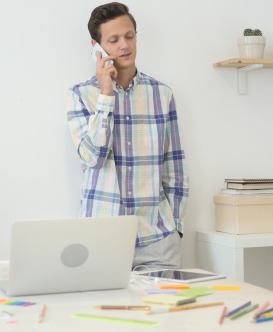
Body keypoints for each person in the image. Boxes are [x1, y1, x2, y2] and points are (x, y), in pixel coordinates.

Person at [66, 2, 189, 270]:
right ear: (96, 46)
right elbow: (92, 158)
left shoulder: (162, 94)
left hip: (158, 240)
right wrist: (105, 95)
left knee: (164, 312)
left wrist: (176, 226)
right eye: (114, 39)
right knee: (104, 312)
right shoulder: (80, 96)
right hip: (101, 239)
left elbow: (175, 168)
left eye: (129, 36)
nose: (124, 45)